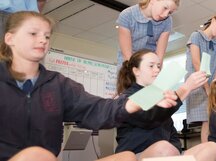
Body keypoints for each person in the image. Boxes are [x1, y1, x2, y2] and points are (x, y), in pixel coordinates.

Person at [0, 11, 178, 160]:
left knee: (126, 157)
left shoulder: (58, 84)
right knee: (35, 156)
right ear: (10, 38)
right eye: (33, 34)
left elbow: (97, 109)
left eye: (47, 36)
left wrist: (139, 101)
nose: (43, 40)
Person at [115, 49, 216, 161]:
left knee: (212, 147)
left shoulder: (159, 96)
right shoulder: (126, 98)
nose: (157, 70)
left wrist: (177, 153)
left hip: (168, 155)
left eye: (158, 66)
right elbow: (151, 116)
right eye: (151, 66)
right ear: (136, 71)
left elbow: (171, 133)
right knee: (164, 148)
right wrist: (186, 88)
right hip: (138, 155)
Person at [185, 13, 216, 142]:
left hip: (210, 86)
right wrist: (206, 87)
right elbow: (196, 62)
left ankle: (209, 149)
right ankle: (207, 149)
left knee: (210, 119)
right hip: (196, 83)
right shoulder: (196, 36)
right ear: (214, 20)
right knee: (207, 119)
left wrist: (213, 85)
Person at [116, 0, 179, 68]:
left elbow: (160, 55)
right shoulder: (127, 15)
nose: (165, 15)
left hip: (150, 65)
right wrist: (136, 72)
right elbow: (127, 55)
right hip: (128, 65)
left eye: (170, 12)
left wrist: (156, 71)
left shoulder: (167, 21)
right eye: (165, 8)